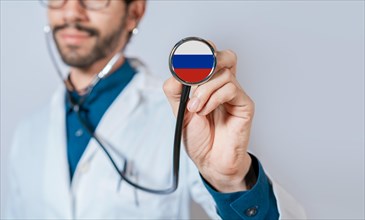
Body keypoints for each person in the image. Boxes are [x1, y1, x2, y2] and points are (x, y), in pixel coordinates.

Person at [5, 0, 306, 219]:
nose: (71, 11)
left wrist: (230, 181)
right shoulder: (27, 133)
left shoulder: (187, 117)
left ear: (133, 12)